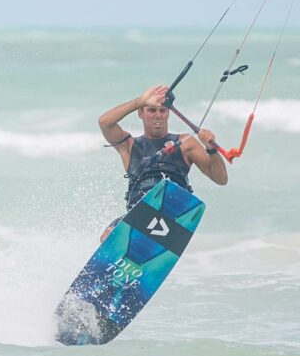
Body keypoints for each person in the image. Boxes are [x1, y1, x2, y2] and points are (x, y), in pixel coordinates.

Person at [97, 85, 228, 241]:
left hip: (173, 213)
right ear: (140, 113)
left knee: (117, 233)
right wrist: (139, 101)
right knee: (108, 237)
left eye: (162, 110)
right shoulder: (129, 146)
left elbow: (221, 179)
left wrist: (211, 150)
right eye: (152, 110)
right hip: (139, 214)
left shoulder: (185, 143)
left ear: (168, 113)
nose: (158, 115)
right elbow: (104, 122)